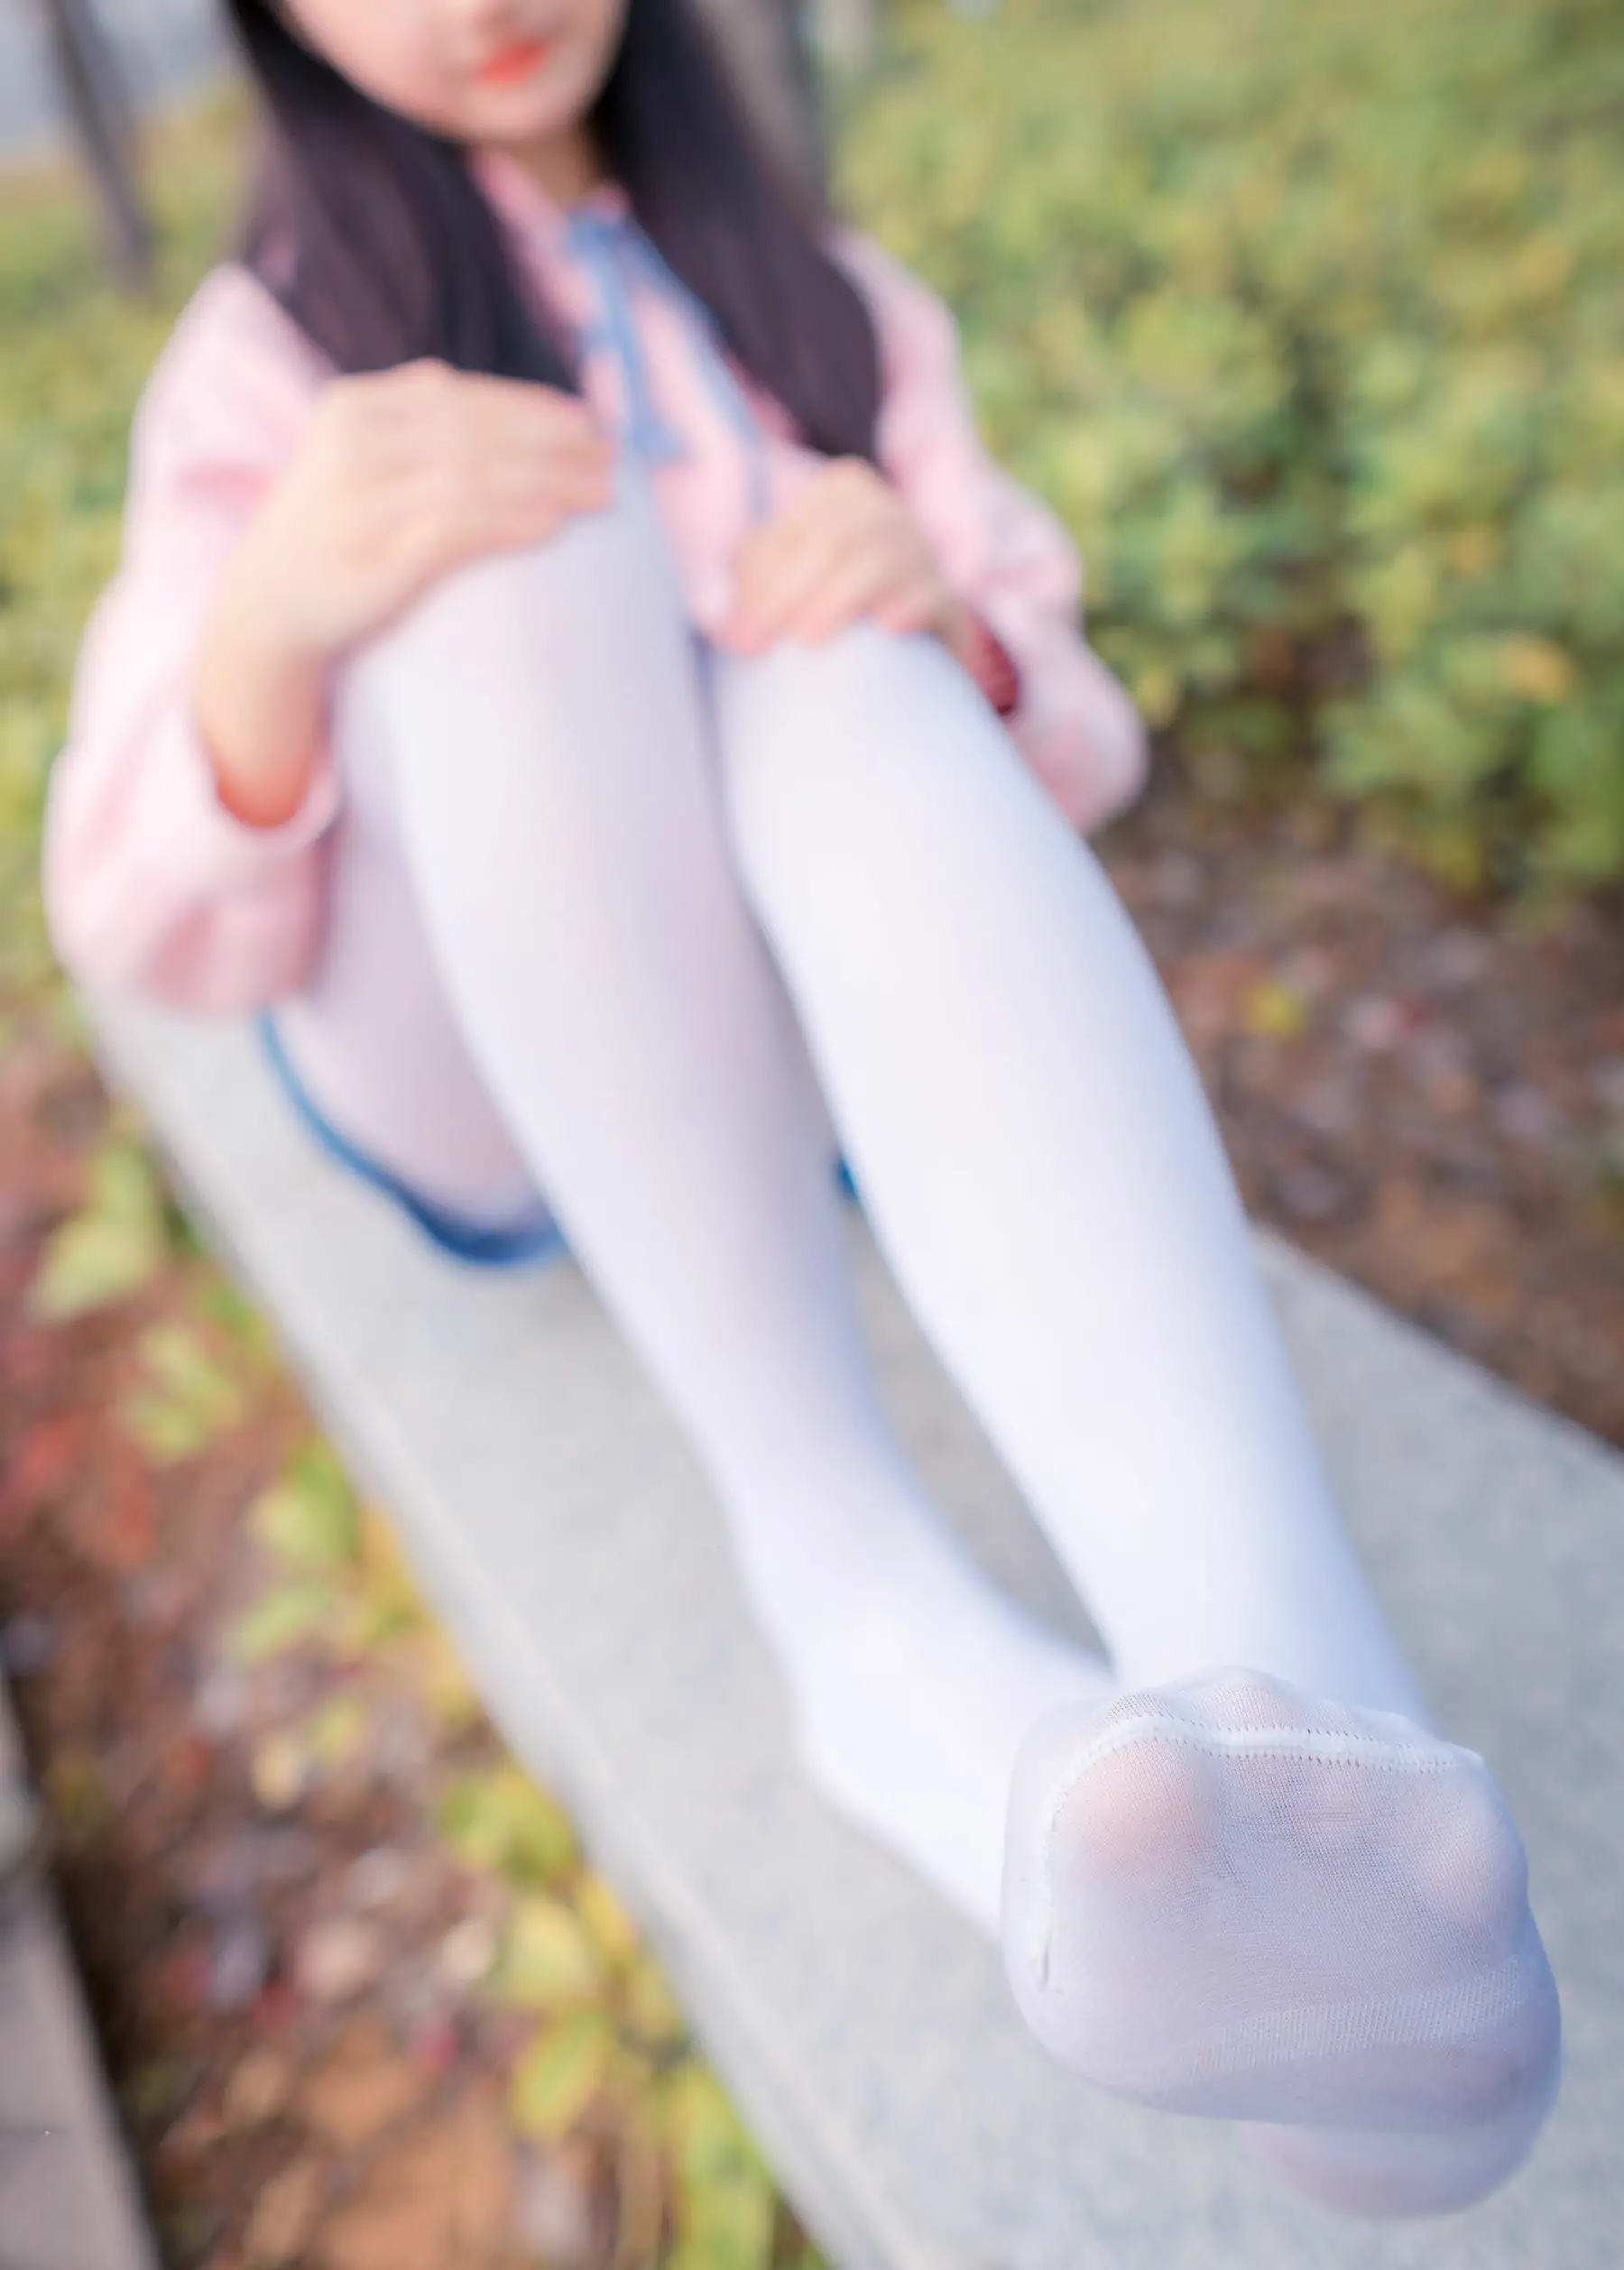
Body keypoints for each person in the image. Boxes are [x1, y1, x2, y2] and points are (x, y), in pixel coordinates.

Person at [41, 0, 1560, 2219]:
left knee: (849, 652)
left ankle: (1299, 1708)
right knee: (510, 542)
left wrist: (951, 626)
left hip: (792, 1029)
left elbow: (1073, 726)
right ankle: (839, 1571)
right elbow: (130, 910)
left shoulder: (824, 294)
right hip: (460, 1055)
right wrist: (270, 620)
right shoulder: (268, 356)